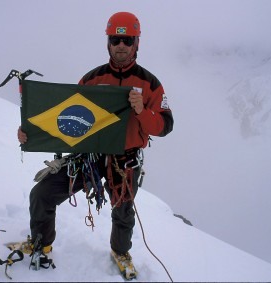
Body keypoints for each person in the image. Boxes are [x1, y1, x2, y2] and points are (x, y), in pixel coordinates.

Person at [17, 11, 173, 279]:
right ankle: (41, 243)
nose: (120, 45)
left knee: (123, 209)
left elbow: (165, 126)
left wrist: (141, 113)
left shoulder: (150, 83)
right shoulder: (91, 79)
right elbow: (66, 117)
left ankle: (120, 251)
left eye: (127, 40)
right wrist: (30, 132)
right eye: (115, 39)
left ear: (137, 43)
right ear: (108, 42)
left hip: (125, 159)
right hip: (88, 156)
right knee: (42, 194)